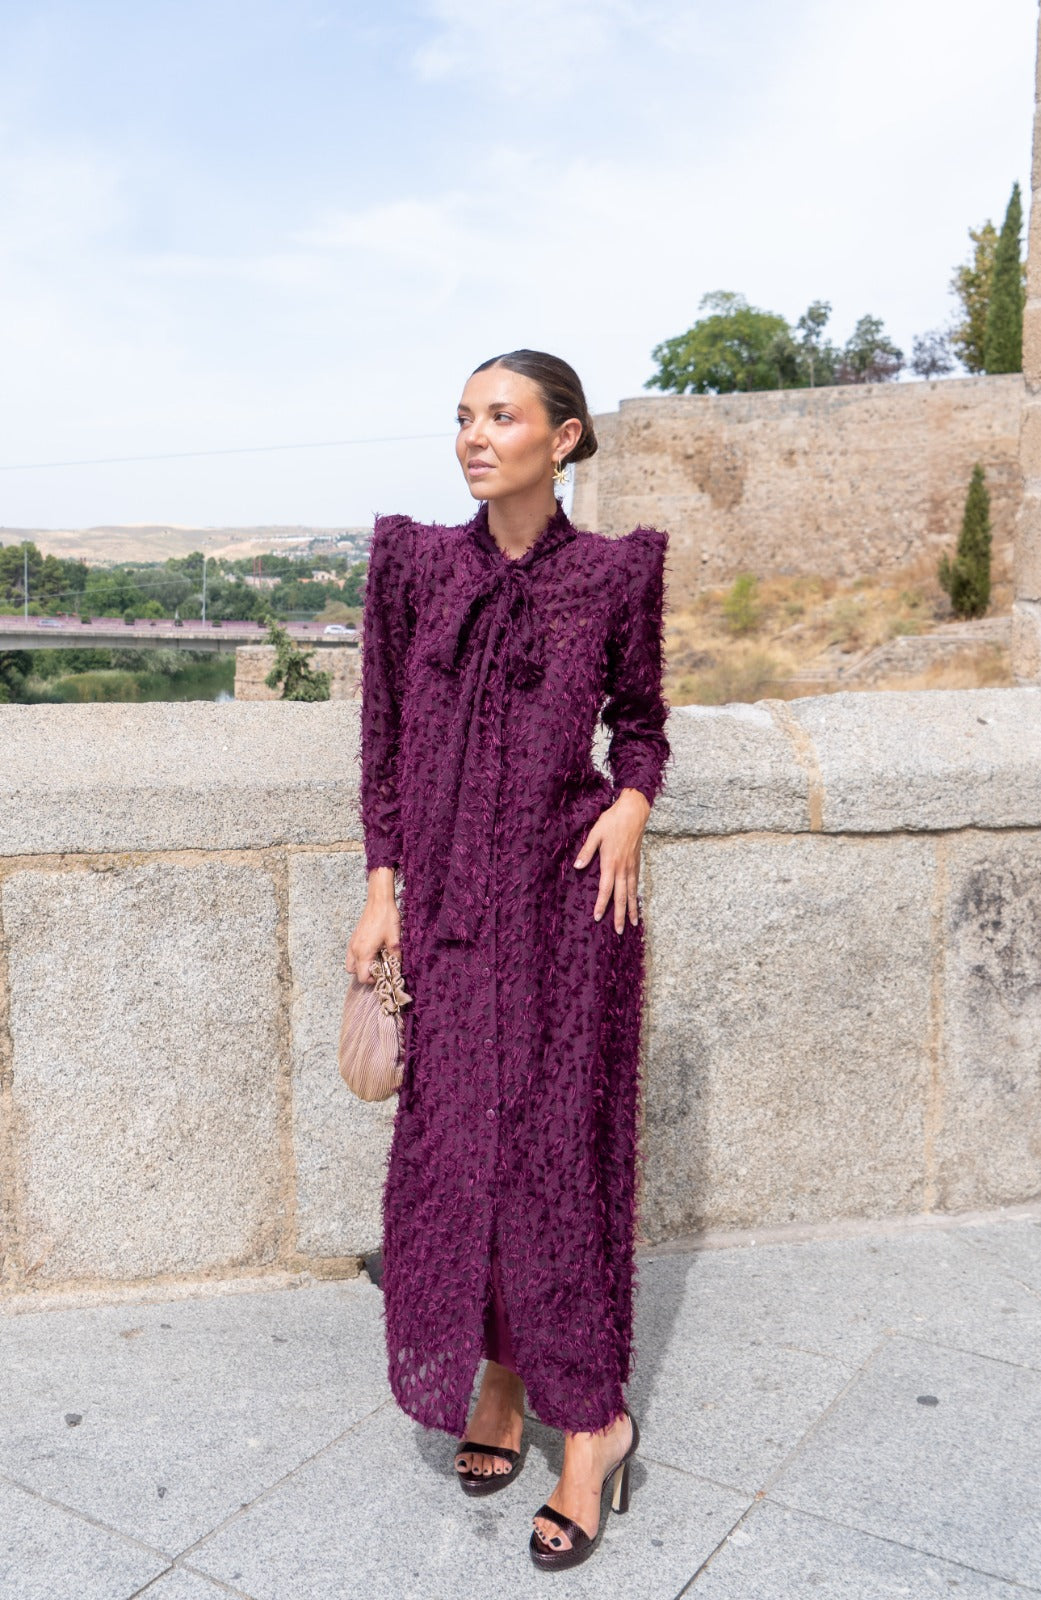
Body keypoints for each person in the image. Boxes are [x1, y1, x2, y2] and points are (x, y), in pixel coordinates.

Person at [348, 348, 670, 1570]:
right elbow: (383, 741)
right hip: (444, 920)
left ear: (564, 438)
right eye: (463, 418)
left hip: (564, 907)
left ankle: (590, 1423)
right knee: (453, 1153)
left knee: (550, 1159)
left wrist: (631, 802)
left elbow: (640, 722)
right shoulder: (417, 567)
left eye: (502, 416)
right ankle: (498, 1368)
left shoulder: (611, 576)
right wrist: (381, 889)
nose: (474, 438)